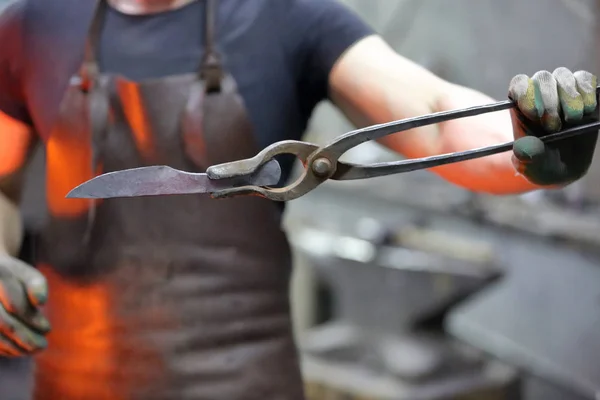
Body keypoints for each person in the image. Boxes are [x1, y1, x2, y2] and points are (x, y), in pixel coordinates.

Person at [0, 0, 597, 399]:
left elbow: (439, 117)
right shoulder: (28, 23)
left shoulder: (287, 15)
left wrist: (528, 147)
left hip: (246, 380)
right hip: (72, 376)